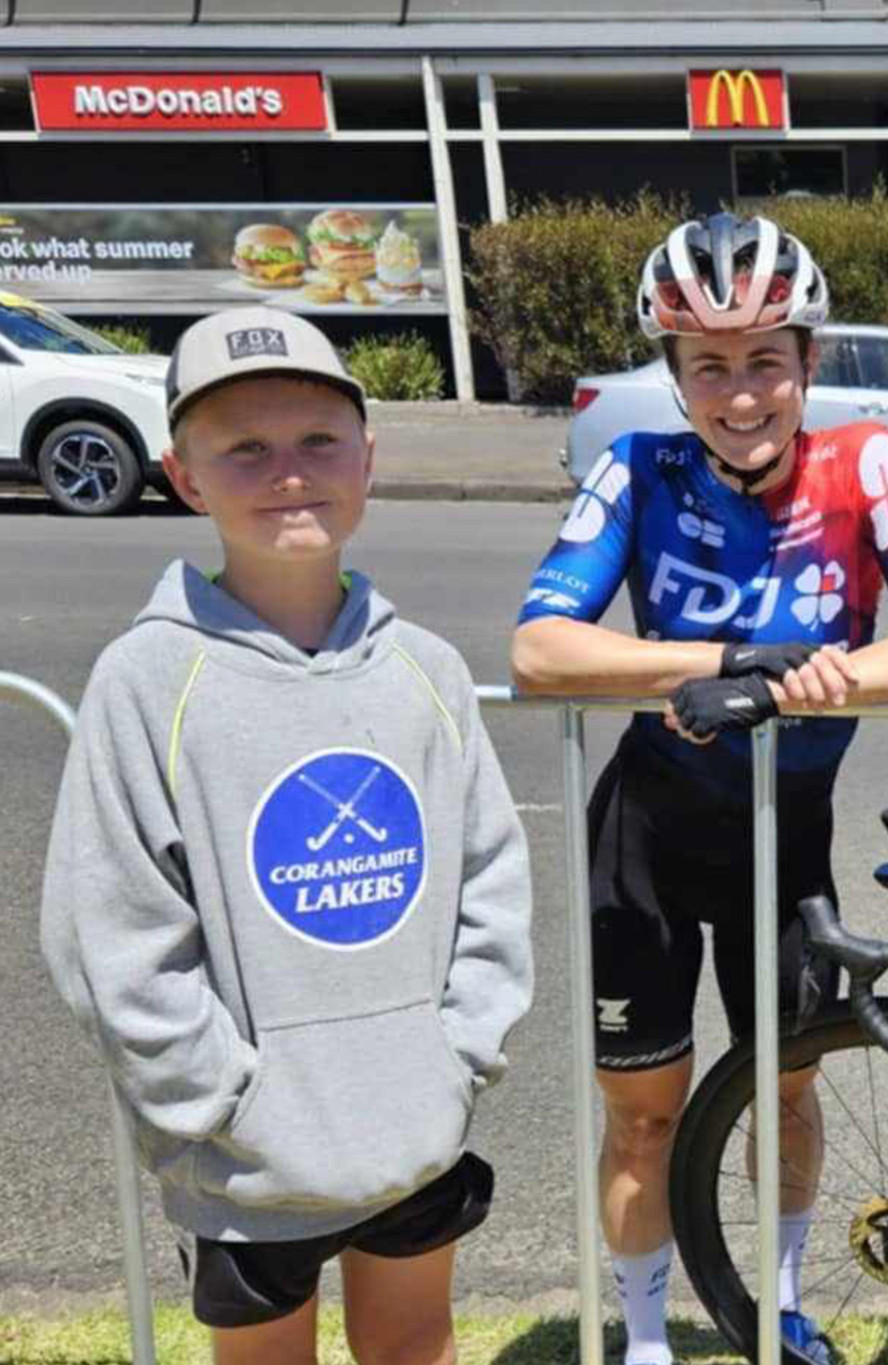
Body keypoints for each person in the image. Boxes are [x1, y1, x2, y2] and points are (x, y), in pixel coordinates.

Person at [510, 211, 888, 1365]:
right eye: (708, 366)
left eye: (765, 359)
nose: (741, 394)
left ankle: (770, 1306)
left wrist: (789, 693)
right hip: (649, 832)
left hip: (787, 830)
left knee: (785, 1092)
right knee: (647, 1113)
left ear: (808, 362)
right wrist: (718, 662)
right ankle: (646, 1337)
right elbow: (540, 652)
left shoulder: (863, 459)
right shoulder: (636, 466)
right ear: (672, 375)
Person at [40, 306, 535, 1365]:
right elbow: (113, 938)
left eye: (318, 440)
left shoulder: (426, 671)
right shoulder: (148, 682)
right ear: (185, 475)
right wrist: (223, 1105)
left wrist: (455, 1059)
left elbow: (490, 883)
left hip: (416, 1129)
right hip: (247, 1163)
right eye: (245, 449)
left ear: (368, 457)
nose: (290, 473)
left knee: (416, 1348)